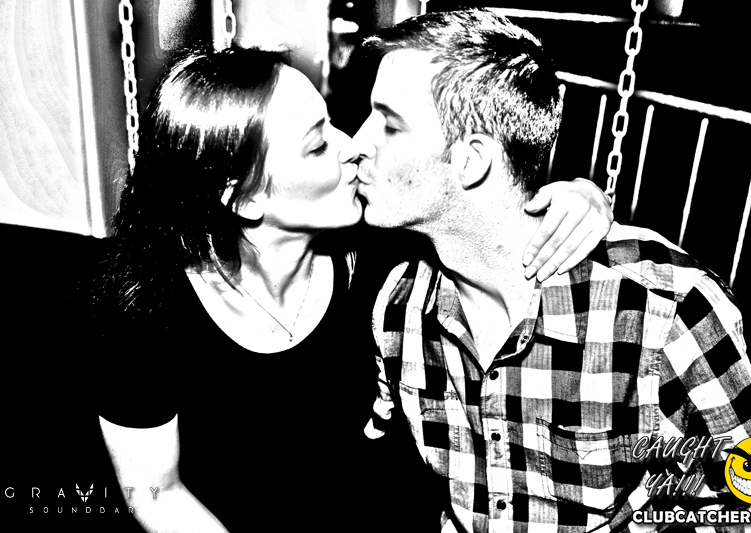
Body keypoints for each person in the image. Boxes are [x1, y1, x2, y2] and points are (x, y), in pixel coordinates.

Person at [86, 44, 612, 532]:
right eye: (318, 146)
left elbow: (480, 213)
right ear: (244, 199)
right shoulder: (143, 304)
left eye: (332, 122)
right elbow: (155, 492)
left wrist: (577, 199)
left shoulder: (381, 253)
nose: (352, 147)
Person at [357, 9, 751, 533]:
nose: (358, 142)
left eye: (389, 124)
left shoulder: (661, 310)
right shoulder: (401, 307)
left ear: (471, 161)